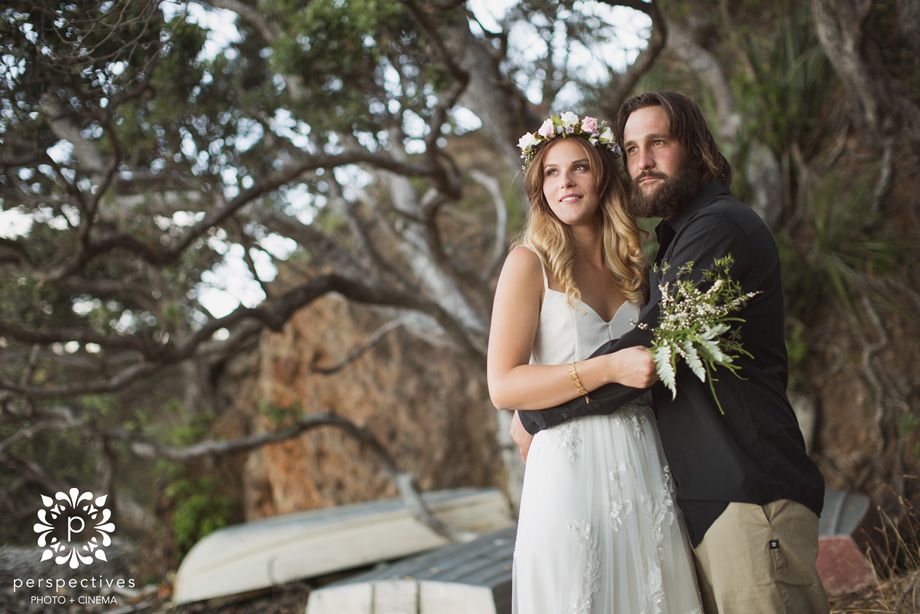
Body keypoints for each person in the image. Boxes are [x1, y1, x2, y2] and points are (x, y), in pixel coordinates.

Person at [511, 92, 828, 614]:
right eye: (632, 150)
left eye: (658, 142)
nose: (644, 162)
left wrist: (537, 413)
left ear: (698, 147)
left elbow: (652, 347)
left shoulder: (718, 228)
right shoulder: (671, 244)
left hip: (750, 493)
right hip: (696, 498)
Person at [488, 111, 703, 614]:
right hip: (568, 468)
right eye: (551, 172)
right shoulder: (527, 263)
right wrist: (606, 369)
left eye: (579, 167)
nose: (565, 182)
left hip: (644, 457)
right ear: (539, 187)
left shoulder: (635, 263)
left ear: (603, 175)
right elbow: (504, 385)